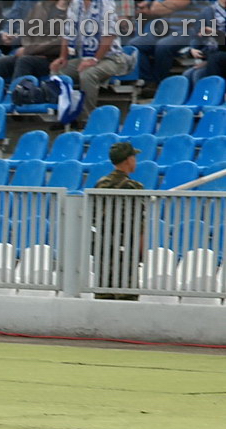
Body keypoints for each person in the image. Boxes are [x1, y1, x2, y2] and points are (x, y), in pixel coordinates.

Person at [49, 0, 131, 126]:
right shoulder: (76, 4)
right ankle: (64, 115)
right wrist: (62, 57)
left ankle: (87, 120)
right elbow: (67, 33)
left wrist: (95, 60)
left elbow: (109, 37)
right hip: (84, 57)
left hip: (111, 58)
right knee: (58, 71)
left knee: (88, 74)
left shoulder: (106, 4)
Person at [93, 141, 144, 301]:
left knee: (103, 293)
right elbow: (139, 223)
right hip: (126, 247)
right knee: (126, 296)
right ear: (128, 160)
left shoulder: (101, 184)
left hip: (103, 246)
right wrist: (141, 250)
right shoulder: (134, 186)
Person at [129, 0, 201, 96]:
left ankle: (160, 83)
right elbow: (155, 9)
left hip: (190, 30)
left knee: (163, 45)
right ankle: (148, 82)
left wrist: (161, 5)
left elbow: (178, 3)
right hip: (167, 29)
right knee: (135, 44)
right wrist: (161, 5)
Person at [0, 0, 69, 82]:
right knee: (1, 62)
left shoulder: (69, 9)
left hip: (53, 57)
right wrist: (29, 49)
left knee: (25, 61)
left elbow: (61, 41)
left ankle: (19, 92)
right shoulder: (40, 6)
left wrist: (30, 51)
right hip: (32, 53)